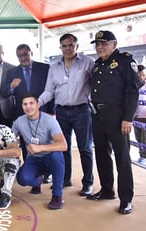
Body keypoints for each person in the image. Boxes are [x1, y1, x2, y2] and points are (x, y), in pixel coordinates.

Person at [86, 30, 140, 215]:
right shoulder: (97, 64)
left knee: (122, 159)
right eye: (97, 44)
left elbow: (133, 92)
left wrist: (128, 118)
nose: (99, 47)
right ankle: (107, 190)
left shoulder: (125, 62)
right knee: (101, 154)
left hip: (119, 117)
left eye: (104, 43)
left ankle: (126, 199)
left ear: (114, 44)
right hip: (98, 116)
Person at [38, 33, 95, 195]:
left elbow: (98, 84)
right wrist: (38, 103)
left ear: (77, 46)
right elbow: (49, 90)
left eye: (71, 45)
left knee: (85, 148)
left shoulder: (88, 63)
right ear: (60, 48)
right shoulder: (54, 67)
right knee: (63, 147)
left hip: (82, 110)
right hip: (61, 111)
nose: (68, 48)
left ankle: (88, 182)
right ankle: (65, 179)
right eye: (64, 46)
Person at [2, 44, 54, 183]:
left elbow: (51, 90)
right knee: (27, 143)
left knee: (47, 141)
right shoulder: (12, 72)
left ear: (31, 53)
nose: (23, 58)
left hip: (43, 112)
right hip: (22, 113)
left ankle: (48, 172)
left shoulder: (44, 68)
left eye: (25, 54)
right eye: (20, 56)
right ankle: (33, 171)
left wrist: (52, 112)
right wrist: (12, 86)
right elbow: (4, 93)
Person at [13, 94, 67, 210]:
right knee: (22, 179)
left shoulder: (49, 120)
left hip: (50, 157)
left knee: (57, 156)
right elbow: (10, 140)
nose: (28, 107)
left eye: (31, 103)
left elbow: (63, 145)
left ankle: (57, 196)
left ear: (38, 104)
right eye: (25, 104)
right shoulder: (19, 122)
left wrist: (41, 148)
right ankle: (37, 181)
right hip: (34, 159)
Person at [133, 64, 146, 166]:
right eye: (139, 75)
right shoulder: (135, 84)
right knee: (138, 137)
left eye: (143, 75)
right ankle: (141, 155)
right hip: (136, 115)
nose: (141, 77)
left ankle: (145, 157)